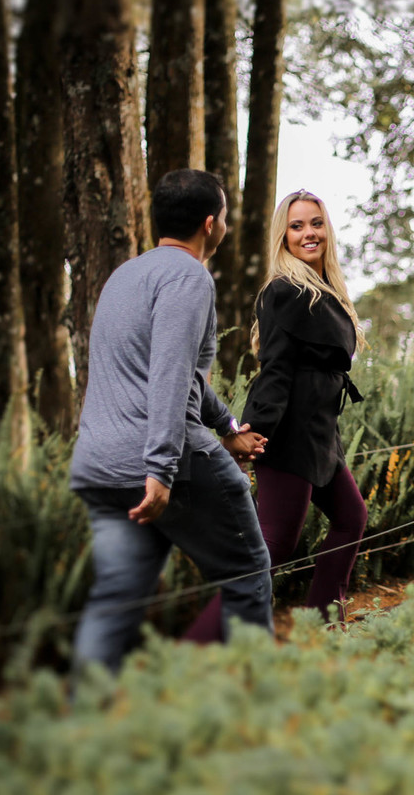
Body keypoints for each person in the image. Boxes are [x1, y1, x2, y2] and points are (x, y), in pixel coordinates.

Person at [70, 169, 274, 673]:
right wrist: (160, 470)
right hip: (163, 465)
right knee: (248, 572)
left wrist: (229, 427)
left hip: (100, 465)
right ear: (209, 224)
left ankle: (84, 709)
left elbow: (177, 377)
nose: (225, 225)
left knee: (117, 598)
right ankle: (257, 699)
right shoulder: (189, 277)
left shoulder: (125, 276)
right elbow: (167, 375)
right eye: (224, 217)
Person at [184, 189, 368, 637]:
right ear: (283, 236)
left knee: (351, 519)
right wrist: (251, 432)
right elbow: (276, 371)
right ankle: (199, 645)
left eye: (316, 223)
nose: (309, 233)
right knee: (273, 548)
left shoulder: (325, 291)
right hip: (286, 436)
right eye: (297, 226)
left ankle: (324, 624)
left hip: (320, 436)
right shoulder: (285, 291)